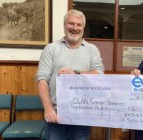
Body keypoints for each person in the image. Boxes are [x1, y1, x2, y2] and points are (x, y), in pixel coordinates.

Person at [36, 9, 104, 140]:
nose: (75, 28)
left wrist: (76, 73)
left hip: (82, 113)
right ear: (64, 25)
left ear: (83, 28)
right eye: (71, 23)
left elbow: (99, 74)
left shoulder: (92, 50)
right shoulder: (51, 48)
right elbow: (42, 79)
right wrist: (48, 108)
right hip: (56, 113)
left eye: (79, 25)